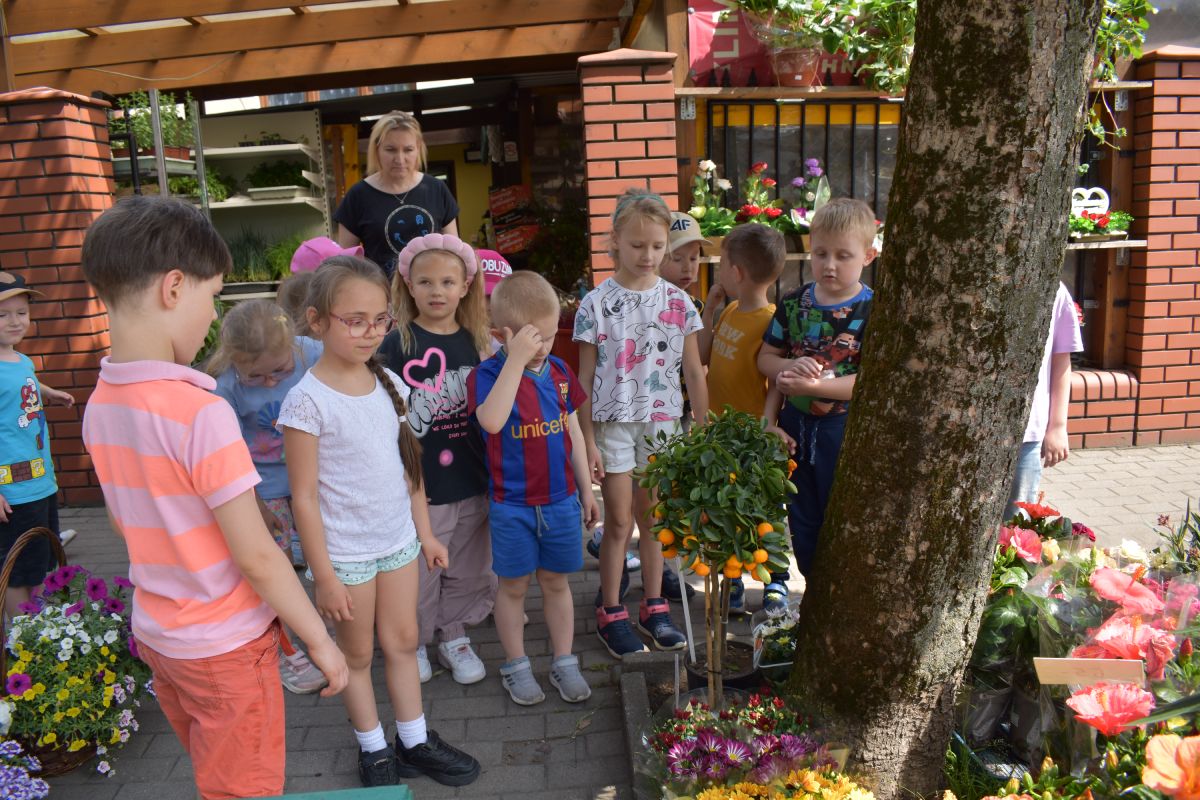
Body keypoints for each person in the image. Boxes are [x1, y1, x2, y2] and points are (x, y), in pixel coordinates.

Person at [79, 196, 349, 800]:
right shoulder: (201, 412)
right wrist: (319, 640)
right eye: (212, 297)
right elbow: (258, 555)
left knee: (217, 775)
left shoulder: (101, 403)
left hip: (160, 637)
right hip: (225, 647)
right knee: (242, 789)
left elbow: (125, 526)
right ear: (174, 287)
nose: (210, 317)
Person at [278, 255, 479, 788]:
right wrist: (323, 575)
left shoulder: (389, 382)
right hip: (346, 555)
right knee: (358, 653)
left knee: (404, 640)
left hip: (398, 543)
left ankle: (413, 740)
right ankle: (373, 749)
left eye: (380, 320)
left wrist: (426, 534)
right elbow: (303, 499)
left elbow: (411, 469)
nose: (370, 332)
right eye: (355, 320)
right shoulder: (306, 402)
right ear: (317, 321)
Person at [574, 189, 708, 659]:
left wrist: (702, 428)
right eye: (637, 245)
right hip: (612, 426)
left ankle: (655, 609)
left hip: (663, 426)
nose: (648, 255)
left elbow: (694, 372)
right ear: (615, 240)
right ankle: (611, 611)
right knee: (618, 520)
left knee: (653, 519)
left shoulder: (679, 302)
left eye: (657, 246)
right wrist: (587, 442)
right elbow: (583, 380)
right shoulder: (594, 304)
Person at [468, 271, 600, 705]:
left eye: (548, 336)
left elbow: (573, 432)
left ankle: (564, 660)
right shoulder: (488, 375)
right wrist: (514, 360)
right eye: (532, 339)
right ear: (500, 336)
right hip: (512, 506)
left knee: (557, 582)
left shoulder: (559, 371)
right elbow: (491, 421)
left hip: (560, 501)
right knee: (513, 588)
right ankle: (516, 665)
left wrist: (587, 491)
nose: (543, 347)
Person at [377, 233, 495, 686]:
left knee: (468, 565)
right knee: (423, 570)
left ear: (465, 286)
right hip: (423, 485)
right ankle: (417, 639)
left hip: (473, 475)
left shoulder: (478, 342)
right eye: (425, 282)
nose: (437, 291)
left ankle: (454, 634)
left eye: (448, 282)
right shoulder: (395, 343)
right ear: (408, 286)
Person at [206, 299, 329, 695]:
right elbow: (227, 451)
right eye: (256, 377)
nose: (271, 382)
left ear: (292, 347)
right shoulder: (224, 385)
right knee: (276, 567)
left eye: (280, 371)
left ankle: (333, 627)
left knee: (325, 555)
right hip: (263, 488)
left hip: (314, 478)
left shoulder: (310, 353)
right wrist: (254, 503)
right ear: (234, 360)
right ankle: (288, 650)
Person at [759, 197, 876, 579]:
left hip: (844, 432)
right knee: (802, 520)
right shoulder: (794, 303)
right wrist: (789, 370)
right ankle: (813, 591)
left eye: (843, 255)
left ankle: (839, 590)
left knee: (842, 517)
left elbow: (872, 384)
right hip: (794, 428)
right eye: (821, 253)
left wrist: (812, 384)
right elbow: (766, 359)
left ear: (868, 256)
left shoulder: (873, 310)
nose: (830, 265)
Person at [698, 223, 789, 613]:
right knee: (725, 509)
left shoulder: (770, 320)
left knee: (764, 511)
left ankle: (776, 581)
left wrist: (768, 424)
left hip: (752, 438)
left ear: (736, 272)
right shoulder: (732, 309)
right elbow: (702, 356)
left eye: (721, 264)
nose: (719, 270)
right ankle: (732, 580)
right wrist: (709, 309)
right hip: (721, 436)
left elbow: (777, 381)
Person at [0, 271, 74, 618]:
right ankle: (22, 637)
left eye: (21, 312)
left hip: (41, 481)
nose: (15, 321)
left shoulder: (20, 359)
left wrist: (49, 393)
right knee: (17, 571)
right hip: (13, 491)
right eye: (2, 314)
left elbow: (26, 382)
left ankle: (45, 628)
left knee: (42, 562)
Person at [334, 111, 459, 278]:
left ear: (418, 149)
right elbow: (346, 264)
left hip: (431, 291)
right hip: (381, 292)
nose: (400, 159)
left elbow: (453, 252)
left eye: (408, 150)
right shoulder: (358, 196)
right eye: (390, 150)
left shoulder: (437, 189)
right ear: (377, 150)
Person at [1005, 282, 1083, 519]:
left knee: (1016, 521)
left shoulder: (1053, 289)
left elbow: (1061, 359)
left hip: (1026, 434)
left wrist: (1057, 426)